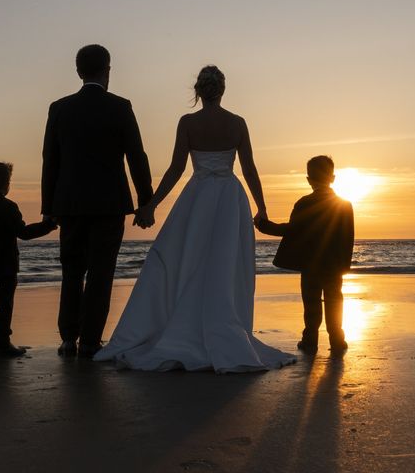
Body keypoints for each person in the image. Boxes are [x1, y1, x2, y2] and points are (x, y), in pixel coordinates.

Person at [94, 65, 296, 372]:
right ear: (222, 90)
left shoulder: (188, 122)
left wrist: (151, 205)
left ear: (198, 91)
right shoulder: (237, 123)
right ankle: (222, 325)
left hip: (198, 196)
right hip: (230, 198)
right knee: (224, 263)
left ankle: (186, 324)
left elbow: (176, 168)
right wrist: (262, 208)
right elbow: (250, 169)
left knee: (188, 258)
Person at [41, 44, 153, 359]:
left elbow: (50, 159)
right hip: (109, 203)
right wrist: (146, 201)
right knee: (102, 272)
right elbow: (136, 156)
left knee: (71, 271)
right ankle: (90, 341)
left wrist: (49, 207)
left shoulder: (59, 108)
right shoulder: (120, 107)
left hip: (70, 203)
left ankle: (67, 338)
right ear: (108, 70)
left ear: (78, 72)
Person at [254, 155, 354, 355]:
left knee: (311, 303)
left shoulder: (304, 203)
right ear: (332, 177)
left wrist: (264, 226)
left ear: (309, 179)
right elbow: (348, 237)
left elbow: (291, 230)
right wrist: (344, 263)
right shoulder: (344, 205)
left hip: (310, 264)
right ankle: (337, 339)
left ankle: (310, 340)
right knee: (335, 301)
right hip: (333, 264)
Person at [0, 162, 57, 358]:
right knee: (5, 305)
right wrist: (47, 225)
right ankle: (2, 344)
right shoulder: (8, 207)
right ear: (7, 184)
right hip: (6, 266)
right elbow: (23, 233)